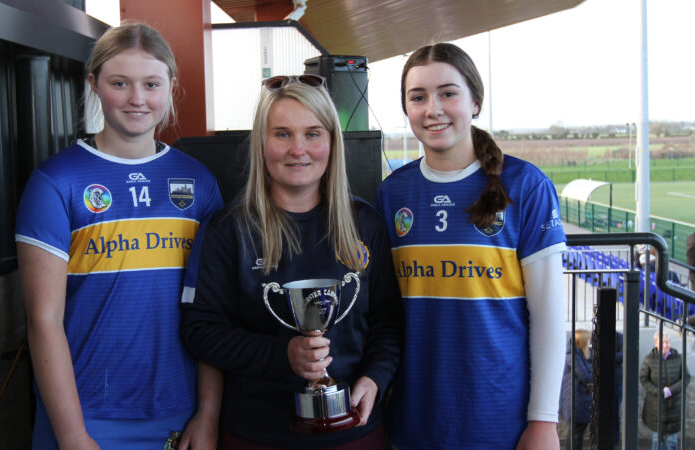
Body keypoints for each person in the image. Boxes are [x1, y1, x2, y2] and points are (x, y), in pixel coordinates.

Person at [15, 23, 223, 449]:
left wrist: (208, 412)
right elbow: (44, 319)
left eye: (151, 84)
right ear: (94, 84)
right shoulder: (56, 181)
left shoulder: (198, 182)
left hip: (177, 412)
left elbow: (213, 312)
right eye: (119, 83)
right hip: (85, 417)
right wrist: (72, 435)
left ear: (170, 86)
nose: (137, 99)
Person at [180, 74, 403, 449]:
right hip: (255, 432)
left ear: (332, 142)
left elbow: (388, 320)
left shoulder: (366, 224)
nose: (298, 149)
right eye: (282, 134)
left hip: (354, 430)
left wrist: (375, 377)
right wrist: (281, 355)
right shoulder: (228, 229)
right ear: (261, 144)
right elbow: (200, 331)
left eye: (313, 134)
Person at [376, 43, 567, 449]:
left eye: (448, 93)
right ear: (406, 109)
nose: (433, 109)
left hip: (501, 420)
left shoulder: (526, 185)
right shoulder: (393, 194)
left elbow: (549, 317)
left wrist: (544, 421)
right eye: (418, 97)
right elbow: (386, 314)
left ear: (475, 101)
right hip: (414, 421)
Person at [640, 331, 691, 450]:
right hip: (656, 408)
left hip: (674, 407)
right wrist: (659, 392)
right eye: (662, 342)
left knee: (671, 441)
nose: (665, 345)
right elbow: (644, 378)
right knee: (657, 441)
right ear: (656, 343)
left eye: (667, 342)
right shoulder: (649, 359)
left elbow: (686, 377)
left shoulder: (678, 358)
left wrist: (671, 390)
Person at [560, 330, 593, 450]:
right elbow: (585, 375)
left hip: (580, 400)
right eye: (588, 340)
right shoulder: (573, 356)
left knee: (579, 432)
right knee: (575, 433)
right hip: (575, 400)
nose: (590, 342)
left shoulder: (582, 355)